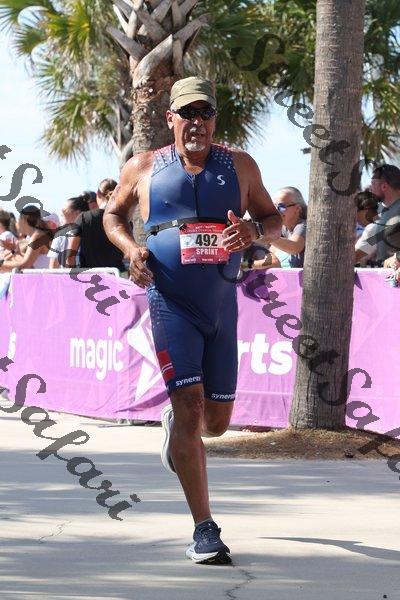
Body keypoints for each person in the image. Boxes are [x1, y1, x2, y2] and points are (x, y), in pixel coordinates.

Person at [103, 76, 282, 564]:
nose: (197, 122)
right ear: (171, 119)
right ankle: (205, 530)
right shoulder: (144, 166)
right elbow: (113, 217)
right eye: (187, 113)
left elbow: (274, 219)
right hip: (170, 302)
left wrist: (254, 230)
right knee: (188, 405)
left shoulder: (240, 165)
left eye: (205, 113)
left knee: (216, 424)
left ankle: (177, 432)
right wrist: (131, 249)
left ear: (214, 119)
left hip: (221, 306)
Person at [66, 179, 125, 270]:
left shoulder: (84, 218)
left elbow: (70, 256)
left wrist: (73, 276)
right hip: (117, 274)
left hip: (91, 276)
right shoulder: (124, 219)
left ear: (98, 194)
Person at [249, 186, 307, 270]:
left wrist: (261, 233)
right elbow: (272, 260)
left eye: (281, 207)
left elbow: (295, 247)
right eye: (274, 207)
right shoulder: (283, 229)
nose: (276, 210)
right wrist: (248, 264)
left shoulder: (303, 225)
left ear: (297, 208)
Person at [0, 205, 53, 271]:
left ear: (24, 220)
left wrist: (1, 263)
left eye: (19, 219)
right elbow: (31, 263)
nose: (17, 223)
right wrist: (17, 253)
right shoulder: (38, 235)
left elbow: (25, 265)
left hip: (44, 277)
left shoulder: (37, 237)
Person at [370, 164, 400, 264]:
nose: (370, 189)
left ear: (384, 186)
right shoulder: (385, 211)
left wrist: (398, 257)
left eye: (373, 184)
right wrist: (373, 254)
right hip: (384, 271)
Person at [48, 195, 89, 268]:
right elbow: (53, 267)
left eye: (64, 210)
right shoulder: (59, 236)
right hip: (67, 275)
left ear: (78, 213)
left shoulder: (91, 234)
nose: (61, 213)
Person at [354, 190, 380, 265]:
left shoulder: (373, 228)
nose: (355, 217)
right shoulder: (380, 225)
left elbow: (353, 257)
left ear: (366, 209)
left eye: (355, 211)